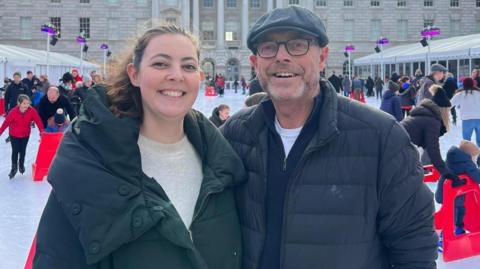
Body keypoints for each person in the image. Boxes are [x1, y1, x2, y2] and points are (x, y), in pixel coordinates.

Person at [221, 6, 437, 268]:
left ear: (322, 57)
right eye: (268, 47)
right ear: (255, 63)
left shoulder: (381, 136)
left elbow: (414, 246)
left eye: (297, 45)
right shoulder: (235, 135)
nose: (281, 56)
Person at [34, 25, 244, 268]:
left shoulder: (224, 161)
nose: (176, 75)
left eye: (188, 66)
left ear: (199, 77)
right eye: (160, 64)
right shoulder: (90, 160)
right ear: (134, 74)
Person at [401, 85, 454, 179]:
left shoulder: (425, 113)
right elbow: (433, 149)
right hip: (398, 147)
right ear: (442, 109)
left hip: (397, 144)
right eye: (447, 111)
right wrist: (445, 172)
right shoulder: (432, 121)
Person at [435, 140, 480, 235]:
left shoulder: (454, 159)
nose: (475, 161)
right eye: (475, 158)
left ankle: (458, 229)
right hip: (455, 195)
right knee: (454, 214)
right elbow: (477, 176)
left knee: (456, 211)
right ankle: (444, 236)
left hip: (446, 192)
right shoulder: (466, 163)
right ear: (469, 155)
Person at [0, 94, 44, 179]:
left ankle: (21, 164)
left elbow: (38, 120)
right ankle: (14, 168)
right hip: (14, 135)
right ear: (19, 103)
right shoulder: (13, 111)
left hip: (25, 134)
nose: (26, 105)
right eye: (24, 103)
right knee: (15, 151)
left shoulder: (31, 111)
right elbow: (6, 123)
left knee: (22, 150)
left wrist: (42, 131)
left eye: (28, 103)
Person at [451, 77, 480, 147]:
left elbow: (450, 104)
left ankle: (467, 156)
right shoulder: (478, 93)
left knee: (466, 142)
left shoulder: (460, 94)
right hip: (479, 118)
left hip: (467, 120)